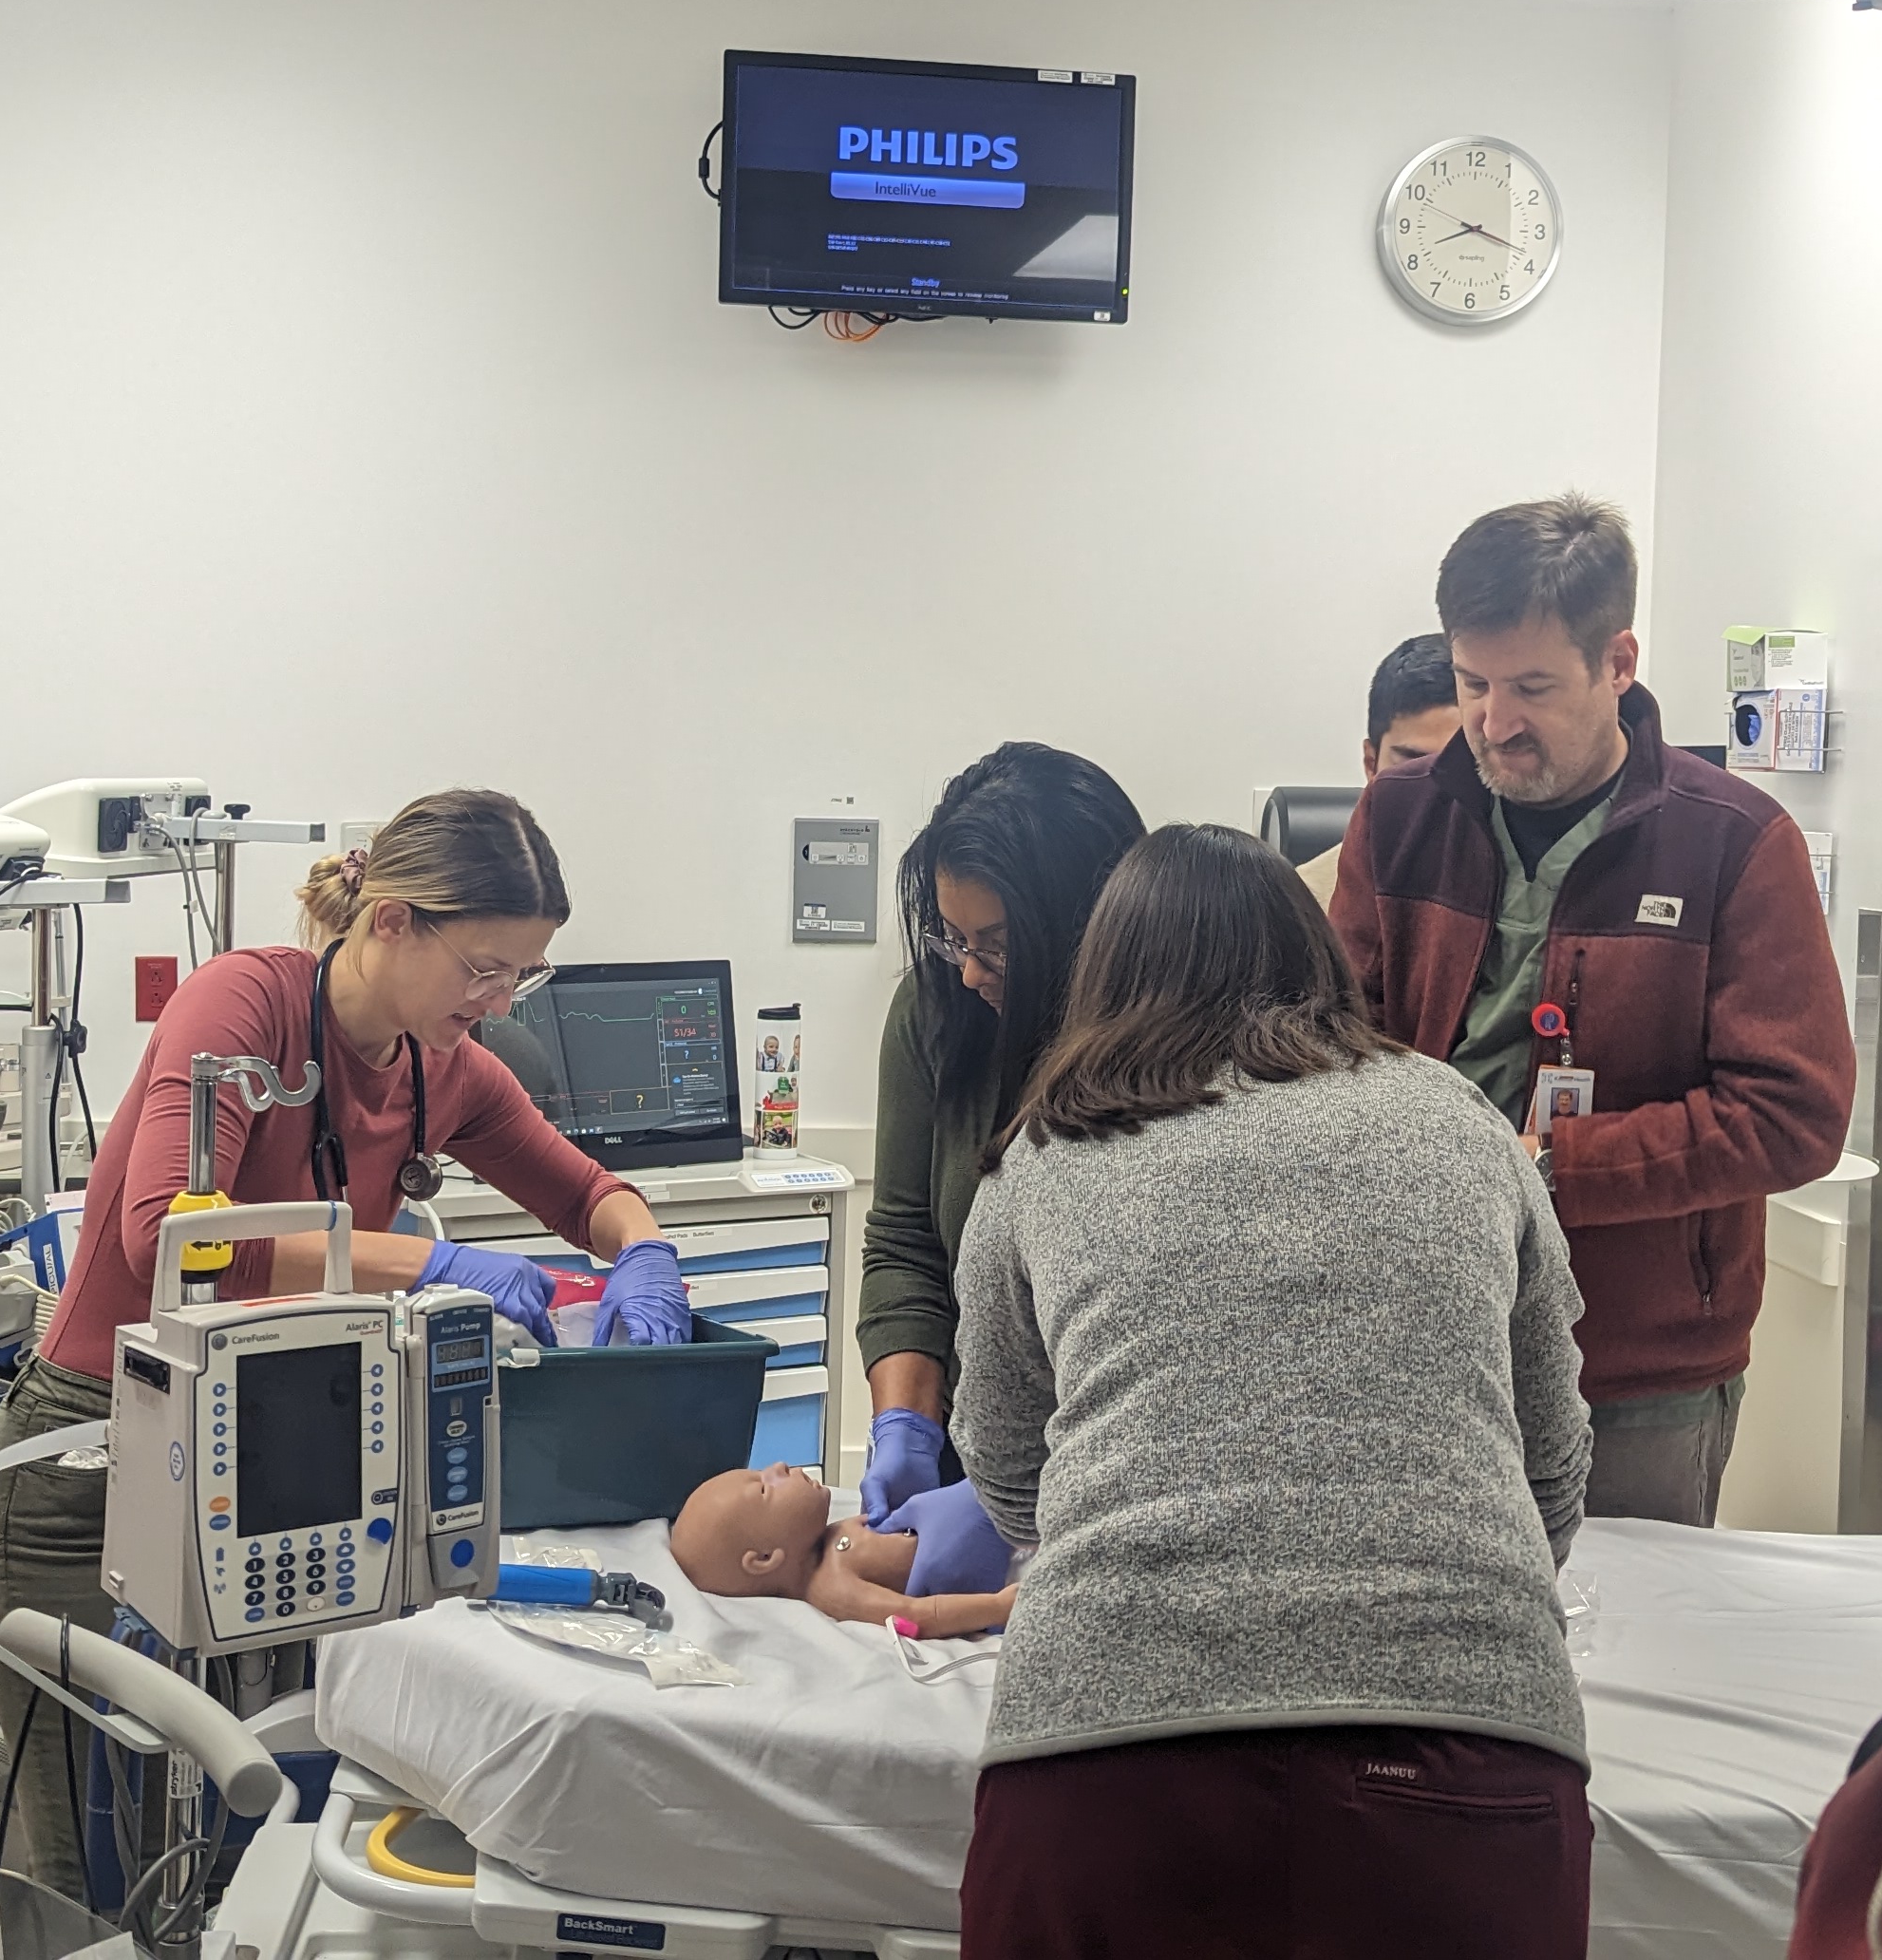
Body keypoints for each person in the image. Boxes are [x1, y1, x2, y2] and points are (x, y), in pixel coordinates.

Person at [0, 789, 691, 1894]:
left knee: (251, 1847)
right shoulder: (244, 1005)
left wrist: (646, 1252)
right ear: (392, 920)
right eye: (484, 970)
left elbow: (590, 1194)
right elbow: (169, 1240)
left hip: (286, 1462)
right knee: (104, 1870)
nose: (499, 1003)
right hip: (95, 1465)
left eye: (522, 977)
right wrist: (431, 1266)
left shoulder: (441, 1067)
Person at [950, 824, 1594, 1960]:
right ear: (1316, 958)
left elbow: (1005, 1466)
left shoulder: (1041, 1159)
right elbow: (1549, 1460)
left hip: (1104, 1755)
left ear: (1104, 978)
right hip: (1462, 1751)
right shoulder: (1462, 1124)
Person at [1329, 495, 1853, 1528]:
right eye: (1473, 683)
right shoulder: (1398, 818)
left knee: (1635, 1624)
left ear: (1618, 663)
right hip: (1420, 1335)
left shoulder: (1735, 842)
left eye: (1532, 687)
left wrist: (1554, 1166)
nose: (1494, 722)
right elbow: (1326, 1047)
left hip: (1635, 1368)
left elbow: (1793, 1114)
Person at [852, 743, 1146, 1523]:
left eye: (1000, 946)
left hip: (1122, 1480)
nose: (970, 971)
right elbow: (907, 1243)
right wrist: (906, 1427)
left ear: (1089, 927)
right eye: (955, 938)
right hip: (970, 1458)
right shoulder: (938, 1011)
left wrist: (1014, 1514)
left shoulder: (1172, 1056)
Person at [666, 1463, 1018, 1636]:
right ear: (764, 1559)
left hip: (1007, 1527)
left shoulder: (824, 1538)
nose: (778, 1467)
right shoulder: (832, 1589)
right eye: (763, 1488)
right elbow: (915, 1616)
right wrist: (998, 1607)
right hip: (1006, 1570)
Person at [1295, 632, 1463, 908]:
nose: (1435, 789)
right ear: (1371, 764)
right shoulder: (1305, 901)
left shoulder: (1521, 896)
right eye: (1412, 765)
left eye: (1459, 764)